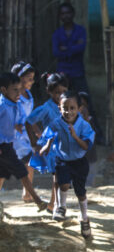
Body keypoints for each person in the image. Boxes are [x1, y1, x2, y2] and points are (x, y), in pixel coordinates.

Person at [39, 91, 95, 238]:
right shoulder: (57, 122)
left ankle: (84, 218)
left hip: (79, 162)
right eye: (65, 108)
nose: (68, 112)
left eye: (72, 108)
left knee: (80, 192)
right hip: (63, 159)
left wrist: (75, 136)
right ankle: (61, 207)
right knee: (62, 183)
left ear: (79, 109)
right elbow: (51, 133)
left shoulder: (84, 126)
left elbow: (85, 146)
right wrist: (47, 146)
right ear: (59, 108)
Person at [0, 72, 47, 211]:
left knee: (2, 174)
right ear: (3, 90)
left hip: (9, 144)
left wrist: (20, 125)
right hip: (3, 146)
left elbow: (23, 118)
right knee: (22, 172)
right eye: (15, 89)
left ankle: (31, 197)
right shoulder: (2, 105)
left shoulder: (16, 104)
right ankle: (37, 199)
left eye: (19, 89)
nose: (18, 93)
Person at [25, 72, 69, 213]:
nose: (60, 95)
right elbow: (29, 121)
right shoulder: (46, 108)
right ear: (49, 92)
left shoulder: (68, 105)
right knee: (58, 177)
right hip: (51, 148)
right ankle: (55, 205)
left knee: (60, 178)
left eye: (64, 91)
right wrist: (34, 142)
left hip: (64, 147)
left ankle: (52, 204)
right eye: (57, 92)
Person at [11, 61, 36, 202]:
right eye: (29, 78)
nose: (32, 80)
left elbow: (29, 117)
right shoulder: (10, 96)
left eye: (32, 77)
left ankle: (27, 193)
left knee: (30, 162)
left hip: (23, 136)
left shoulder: (28, 95)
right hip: (10, 136)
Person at [78, 92, 98, 186]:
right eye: (80, 105)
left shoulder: (90, 120)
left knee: (89, 182)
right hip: (76, 157)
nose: (82, 108)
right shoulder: (71, 122)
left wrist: (86, 118)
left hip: (90, 156)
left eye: (84, 105)